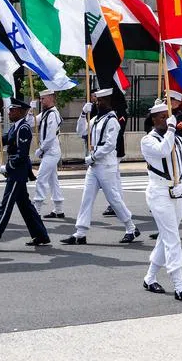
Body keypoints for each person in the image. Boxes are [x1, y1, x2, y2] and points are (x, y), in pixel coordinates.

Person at [62, 88, 140, 245]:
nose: (96, 103)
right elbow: (81, 131)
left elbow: (110, 145)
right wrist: (83, 114)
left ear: (106, 102)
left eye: (99, 101)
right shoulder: (96, 119)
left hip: (106, 166)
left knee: (114, 199)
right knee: (86, 198)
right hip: (94, 166)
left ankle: (131, 228)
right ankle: (80, 232)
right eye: (96, 101)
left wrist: (93, 156)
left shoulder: (112, 120)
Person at [140, 103, 182, 302]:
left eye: (168, 116)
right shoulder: (147, 141)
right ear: (154, 120)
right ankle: (180, 286)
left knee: (165, 237)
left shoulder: (180, 142)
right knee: (172, 238)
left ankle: (149, 278)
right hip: (159, 193)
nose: (166, 120)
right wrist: (172, 130)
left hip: (177, 193)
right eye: (162, 117)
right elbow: (163, 151)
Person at [0, 99, 50, 250]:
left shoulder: (23, 128)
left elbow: (22, 154)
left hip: (18, 172)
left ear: (20, 111)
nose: (9, 113)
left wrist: (8, 167)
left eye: (12, 110)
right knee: (25, 207)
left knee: (5, 206)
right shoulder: (14, 127)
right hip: (15, 171)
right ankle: (41, 235)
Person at [32, 89, 65, 219]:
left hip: (51, 152)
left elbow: (51, 135)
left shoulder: (53, 114)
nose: (41, 101)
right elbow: (31, 122)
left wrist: (41, 149)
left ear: (51, 98)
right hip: (48, 152)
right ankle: (59, 210)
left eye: (43, 99)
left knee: (40, 178)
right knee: (53, 180)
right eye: (41, 99)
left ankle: (36, 209)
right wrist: (30, 110)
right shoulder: (45, 113)